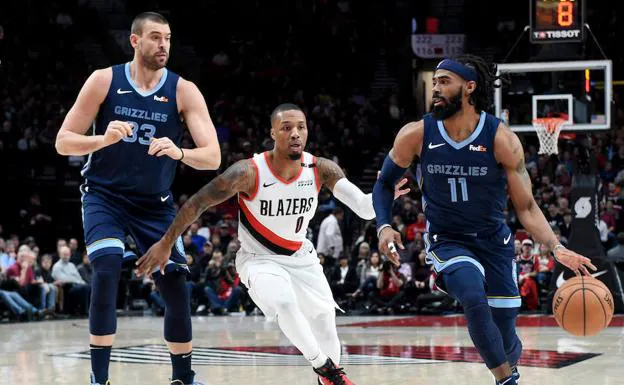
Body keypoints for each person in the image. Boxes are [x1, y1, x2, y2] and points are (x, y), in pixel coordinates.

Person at [136, 103, 408, 385]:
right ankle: (324, 368)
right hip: (258, 258)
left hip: (301, 257)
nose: (295, 134)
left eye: (300, 127)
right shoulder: (248, 172)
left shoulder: (320, 168)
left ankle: (327, 376)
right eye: (287, 128)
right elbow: (197, 203)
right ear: (273, 134)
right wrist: (167, 242)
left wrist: (384, 193)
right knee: (284, 302)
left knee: (325, 323)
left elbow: (364, 208)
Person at [372, 55, 596, 385]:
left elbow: (528, 207)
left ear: (470, 87)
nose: (436, 88)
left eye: (444, 81)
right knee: (474, 298)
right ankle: (508, 382)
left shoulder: (500, 138)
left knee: (506, 337)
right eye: (434, 82)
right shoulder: (416, 134)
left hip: (494, 241)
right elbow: (383, 182)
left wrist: (555, 247)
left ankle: (508, 366)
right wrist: (384, 225)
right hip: (448, 240)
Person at [55, 11, 220, 385]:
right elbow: (63, 141)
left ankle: (183, 377)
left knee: (177, 281)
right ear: (135, 41)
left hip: (153, 203)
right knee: (108, 266)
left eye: (168, 38)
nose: (164, 45)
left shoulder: (183, 89)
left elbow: (213, 156)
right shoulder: (103, 80)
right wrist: (102, 140)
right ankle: (100, 378)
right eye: (155, 37)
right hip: (104, 196)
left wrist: (180, 152)